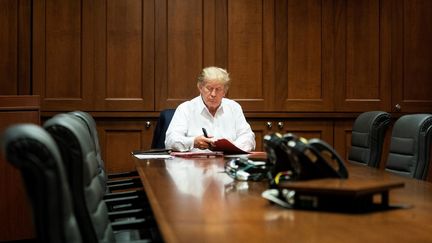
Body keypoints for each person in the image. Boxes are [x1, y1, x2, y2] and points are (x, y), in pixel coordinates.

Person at [165, 66, 256, 152]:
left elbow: (248, 137)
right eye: (209, 88)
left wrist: (234, 146)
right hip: (194, 165)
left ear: (225, 91)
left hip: (226, 164)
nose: (213, 94)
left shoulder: (234, 108)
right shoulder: (185, 109)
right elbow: (170, 141)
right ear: (200, 87)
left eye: (218, 89)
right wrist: (193, 142)